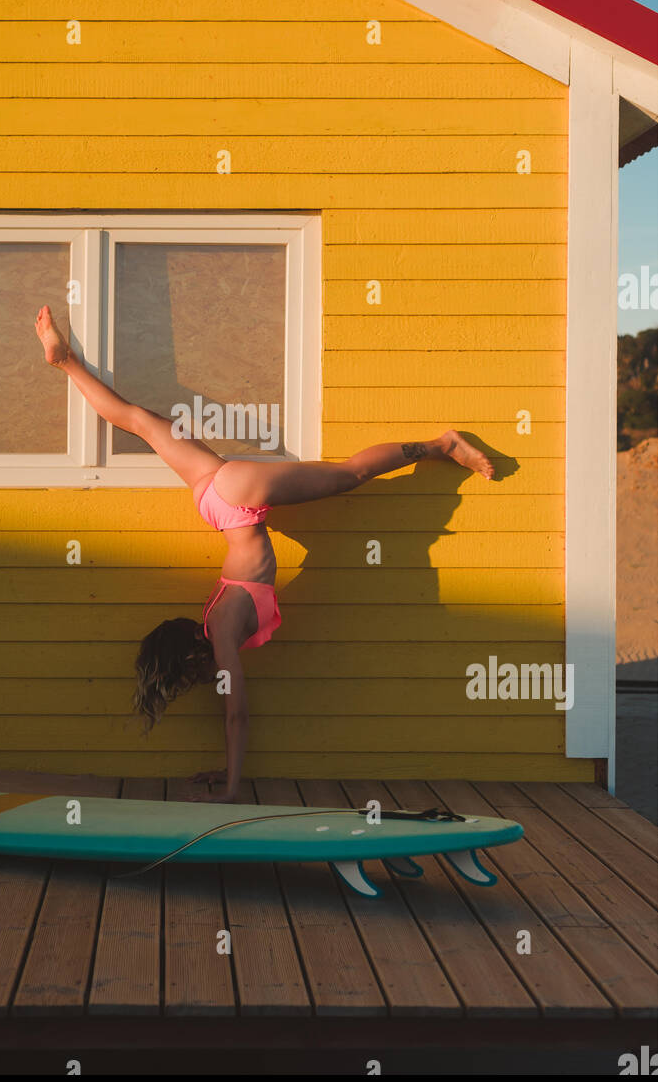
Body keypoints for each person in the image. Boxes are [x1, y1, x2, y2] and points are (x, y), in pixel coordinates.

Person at [35, 306, 494, 802]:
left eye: (191, 675)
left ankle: (441, 443)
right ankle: (65, 363)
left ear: (193, 655)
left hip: (234, 497)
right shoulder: (213, 621)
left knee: (349, 475)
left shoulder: (224, 634)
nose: (201, 680)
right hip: (214, 501)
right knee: (139, 422)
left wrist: (232, 789)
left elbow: (237, 713)